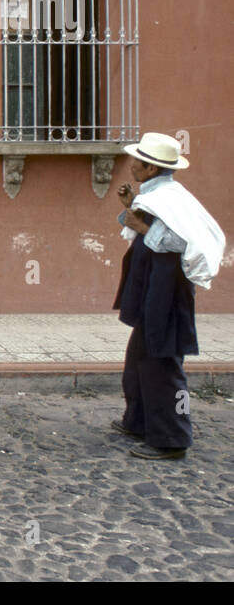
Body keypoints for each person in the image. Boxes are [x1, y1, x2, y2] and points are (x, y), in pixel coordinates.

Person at [111, 132, 225, 459]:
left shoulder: (171, 197)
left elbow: (182, 241)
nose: (131, 165)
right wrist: (131, 206)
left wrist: (142, 225)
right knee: (140, 357)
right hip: (152, 285)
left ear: (149, 169)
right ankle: (138, 420)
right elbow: (151, 223)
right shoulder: (158, 194)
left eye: (137, 161)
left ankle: (174, 437)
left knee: (165, 360)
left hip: (167, 290)